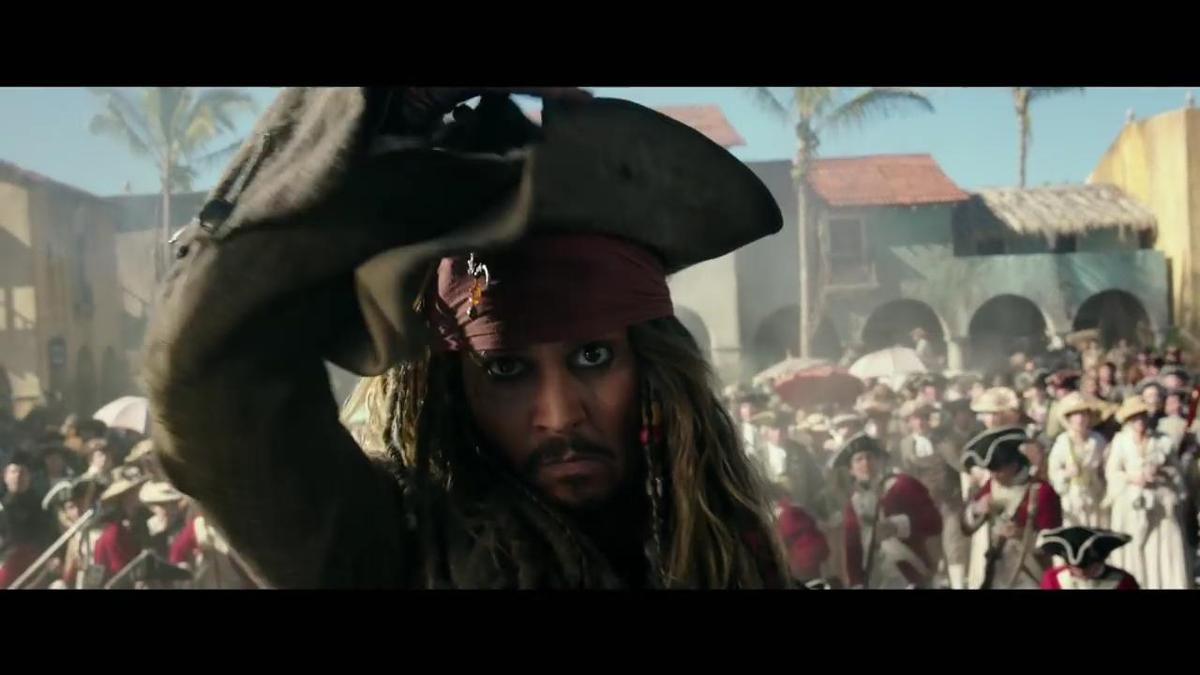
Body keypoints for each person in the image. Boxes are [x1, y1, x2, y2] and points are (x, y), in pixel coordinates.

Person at [142, 88, 790, 589]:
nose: (559, 414)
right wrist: (372, 126)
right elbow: (211, 377)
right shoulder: (399, 557)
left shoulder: (733, 558)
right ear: (455, 392)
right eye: (507, 369)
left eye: (593, 356)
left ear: (650, 367)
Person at [1103, 397, 1193, 589]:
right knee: (1134, 546)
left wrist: (1161, 472)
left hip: (1160, 503)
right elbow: (1112, 472)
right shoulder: (1121, 441)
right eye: (1135, 418)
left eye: (1142, 417)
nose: (1140, 422)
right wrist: (1133, 477)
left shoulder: (1162, 440)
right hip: (1131, 502)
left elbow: (1177, 473)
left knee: (1162, 546)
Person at [834, 434, 941, 588]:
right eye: (859, 459)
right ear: (851, 470)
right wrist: (856, 583)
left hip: (911, 574)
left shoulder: (903, 485)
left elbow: (935, 522)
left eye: (870, 457)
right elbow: (854, 548)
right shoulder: (854, 504)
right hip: (876, 580)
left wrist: (896, 526)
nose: (865, 463)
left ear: (879, 460)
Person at [961, 427, 1063, 589]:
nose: (994, 475)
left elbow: (1054, 540)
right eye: (991, 470)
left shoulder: (1042, 491)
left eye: (998, 470)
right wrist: (977, 510)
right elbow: (966, 528)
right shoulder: (991, 486)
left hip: (1029, 572)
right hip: (995, 571)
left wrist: (1022, 534)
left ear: (1014, 465)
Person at [897, 400, 968, 588]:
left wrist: (966, 488)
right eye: (914, 419)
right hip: (923, 504)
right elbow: (905, 475)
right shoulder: (905, 445)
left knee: (953, 543)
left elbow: (960, 465)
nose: (919, 422)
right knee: (932, 548)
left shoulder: (944, 440)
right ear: (909, 422)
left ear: (929, 419)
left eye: (923, 418)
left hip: (948, 500)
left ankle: (959, 585)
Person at [1048, 392, 1109, 528]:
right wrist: (1066, 473)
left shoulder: (1098, 440)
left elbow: (1106, 467)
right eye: (1075, 415)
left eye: (1083, 415)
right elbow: (1053, 471)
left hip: (1094, 495)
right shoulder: (1062, 441)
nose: (1080, 419)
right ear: (1069, 419)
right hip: (1072, 496)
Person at [0, 452, 57, 588]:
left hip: (36, 567)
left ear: (29, 476)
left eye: (23, 472)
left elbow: (50, 537)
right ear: (5, 476)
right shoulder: (1, 507)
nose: (18, 476)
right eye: (13, 472)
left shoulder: (42, 507)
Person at [92, 468, 150, 586]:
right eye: (133, 492)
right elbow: (121, 572)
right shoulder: (114, 532)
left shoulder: (137, 525)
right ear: (124, 498)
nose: (138, 494)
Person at [1036, 526, 1139, 590]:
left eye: (1087, 567)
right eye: (1075, 568)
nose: (1081, 572)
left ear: (1100, 561)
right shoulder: (1053, 580)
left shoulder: (1124, 582)